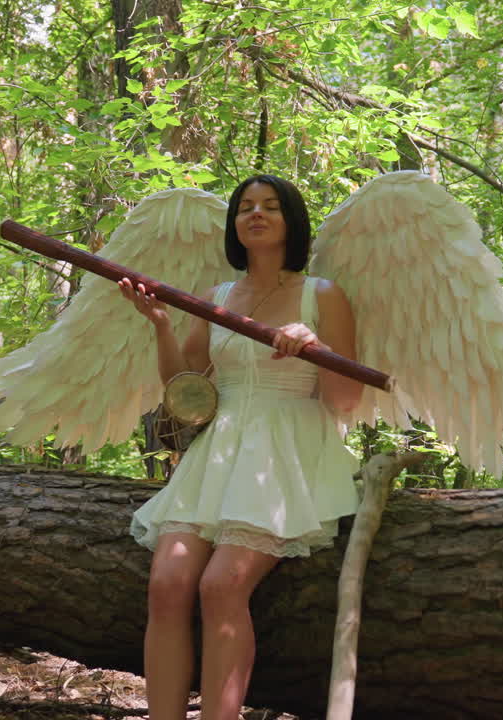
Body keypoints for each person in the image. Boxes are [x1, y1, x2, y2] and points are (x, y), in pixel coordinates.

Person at [118, 175, 363, 720]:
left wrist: (316, 348)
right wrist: (160, 323)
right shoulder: (217, 299)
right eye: (245, 207)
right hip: (219, 453)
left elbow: (346, 401)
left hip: (287, 453)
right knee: (167, 583)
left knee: (222, 585)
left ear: (290, 221)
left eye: (271, 207)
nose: (256, 214)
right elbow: (186, 387)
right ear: (235, 225)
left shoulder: (323, 295)